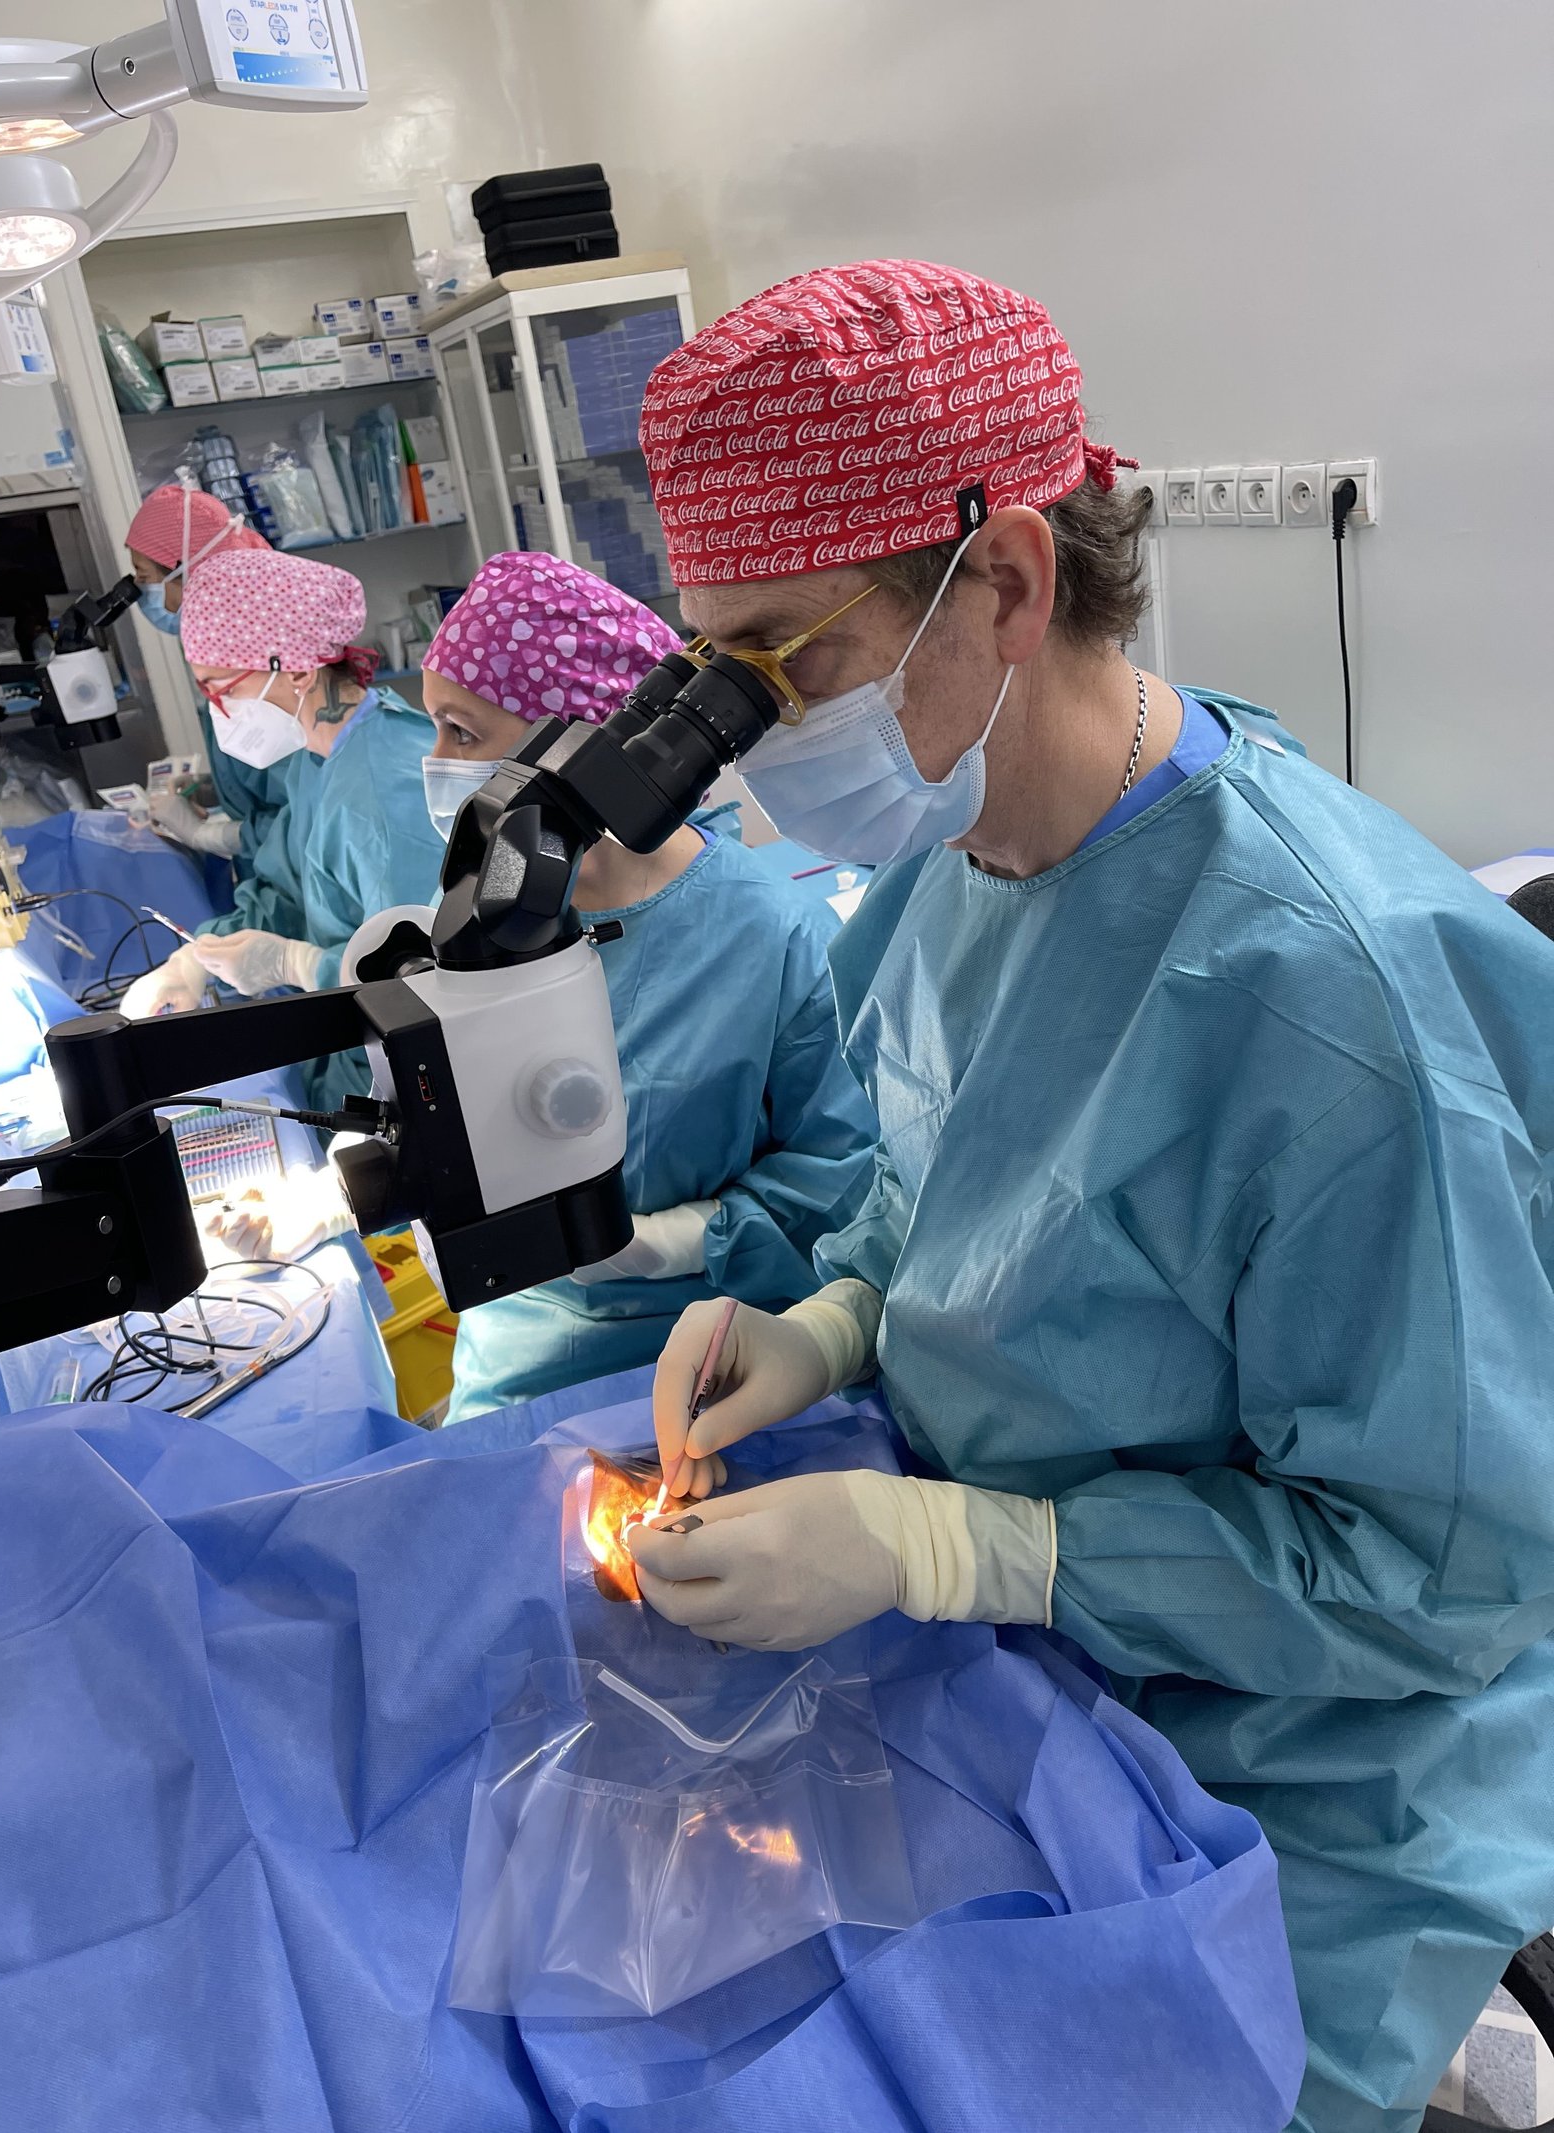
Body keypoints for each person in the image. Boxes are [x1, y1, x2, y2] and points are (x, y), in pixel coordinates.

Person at [619, 260, 1554, 2133]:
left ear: (1012, 584)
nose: (756, 733)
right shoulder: (957, 850)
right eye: (715, 670)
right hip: (1055, 1678)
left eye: (787, 660)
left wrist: (961, 1550)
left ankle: (1451, 2024)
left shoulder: (1335, 1010)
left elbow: (1446, 1577)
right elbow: (954, 1176)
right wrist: (834, 1321)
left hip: (1309, 1772)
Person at [214, 552, 880, 1410]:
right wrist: (337, 1194)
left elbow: (842, 1174)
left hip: (710, 1356)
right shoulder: (484, 920)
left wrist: (676, 1240)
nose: (434, 761)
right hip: (514, 1351)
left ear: (583, 743)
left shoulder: (770, 936)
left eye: (461, 732)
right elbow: (446, 1118)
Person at [122, 550, 439, 1108]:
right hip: (351, 1047)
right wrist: (197, 958)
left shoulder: (383, 793)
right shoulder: (316, 761)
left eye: (221, 689)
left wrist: (297, 964)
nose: (218, 711)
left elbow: (424, 981)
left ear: (295, 671)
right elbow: (290, 888)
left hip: (410, 1074)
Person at [125, 484, 281, 871]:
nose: (166, 603)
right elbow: (263, 778)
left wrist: (203, 834)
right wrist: (216, 788)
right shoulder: (220, 655)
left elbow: (303, 823)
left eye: (146, 577)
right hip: (269, 871)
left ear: (192, 570)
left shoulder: (257, 672)